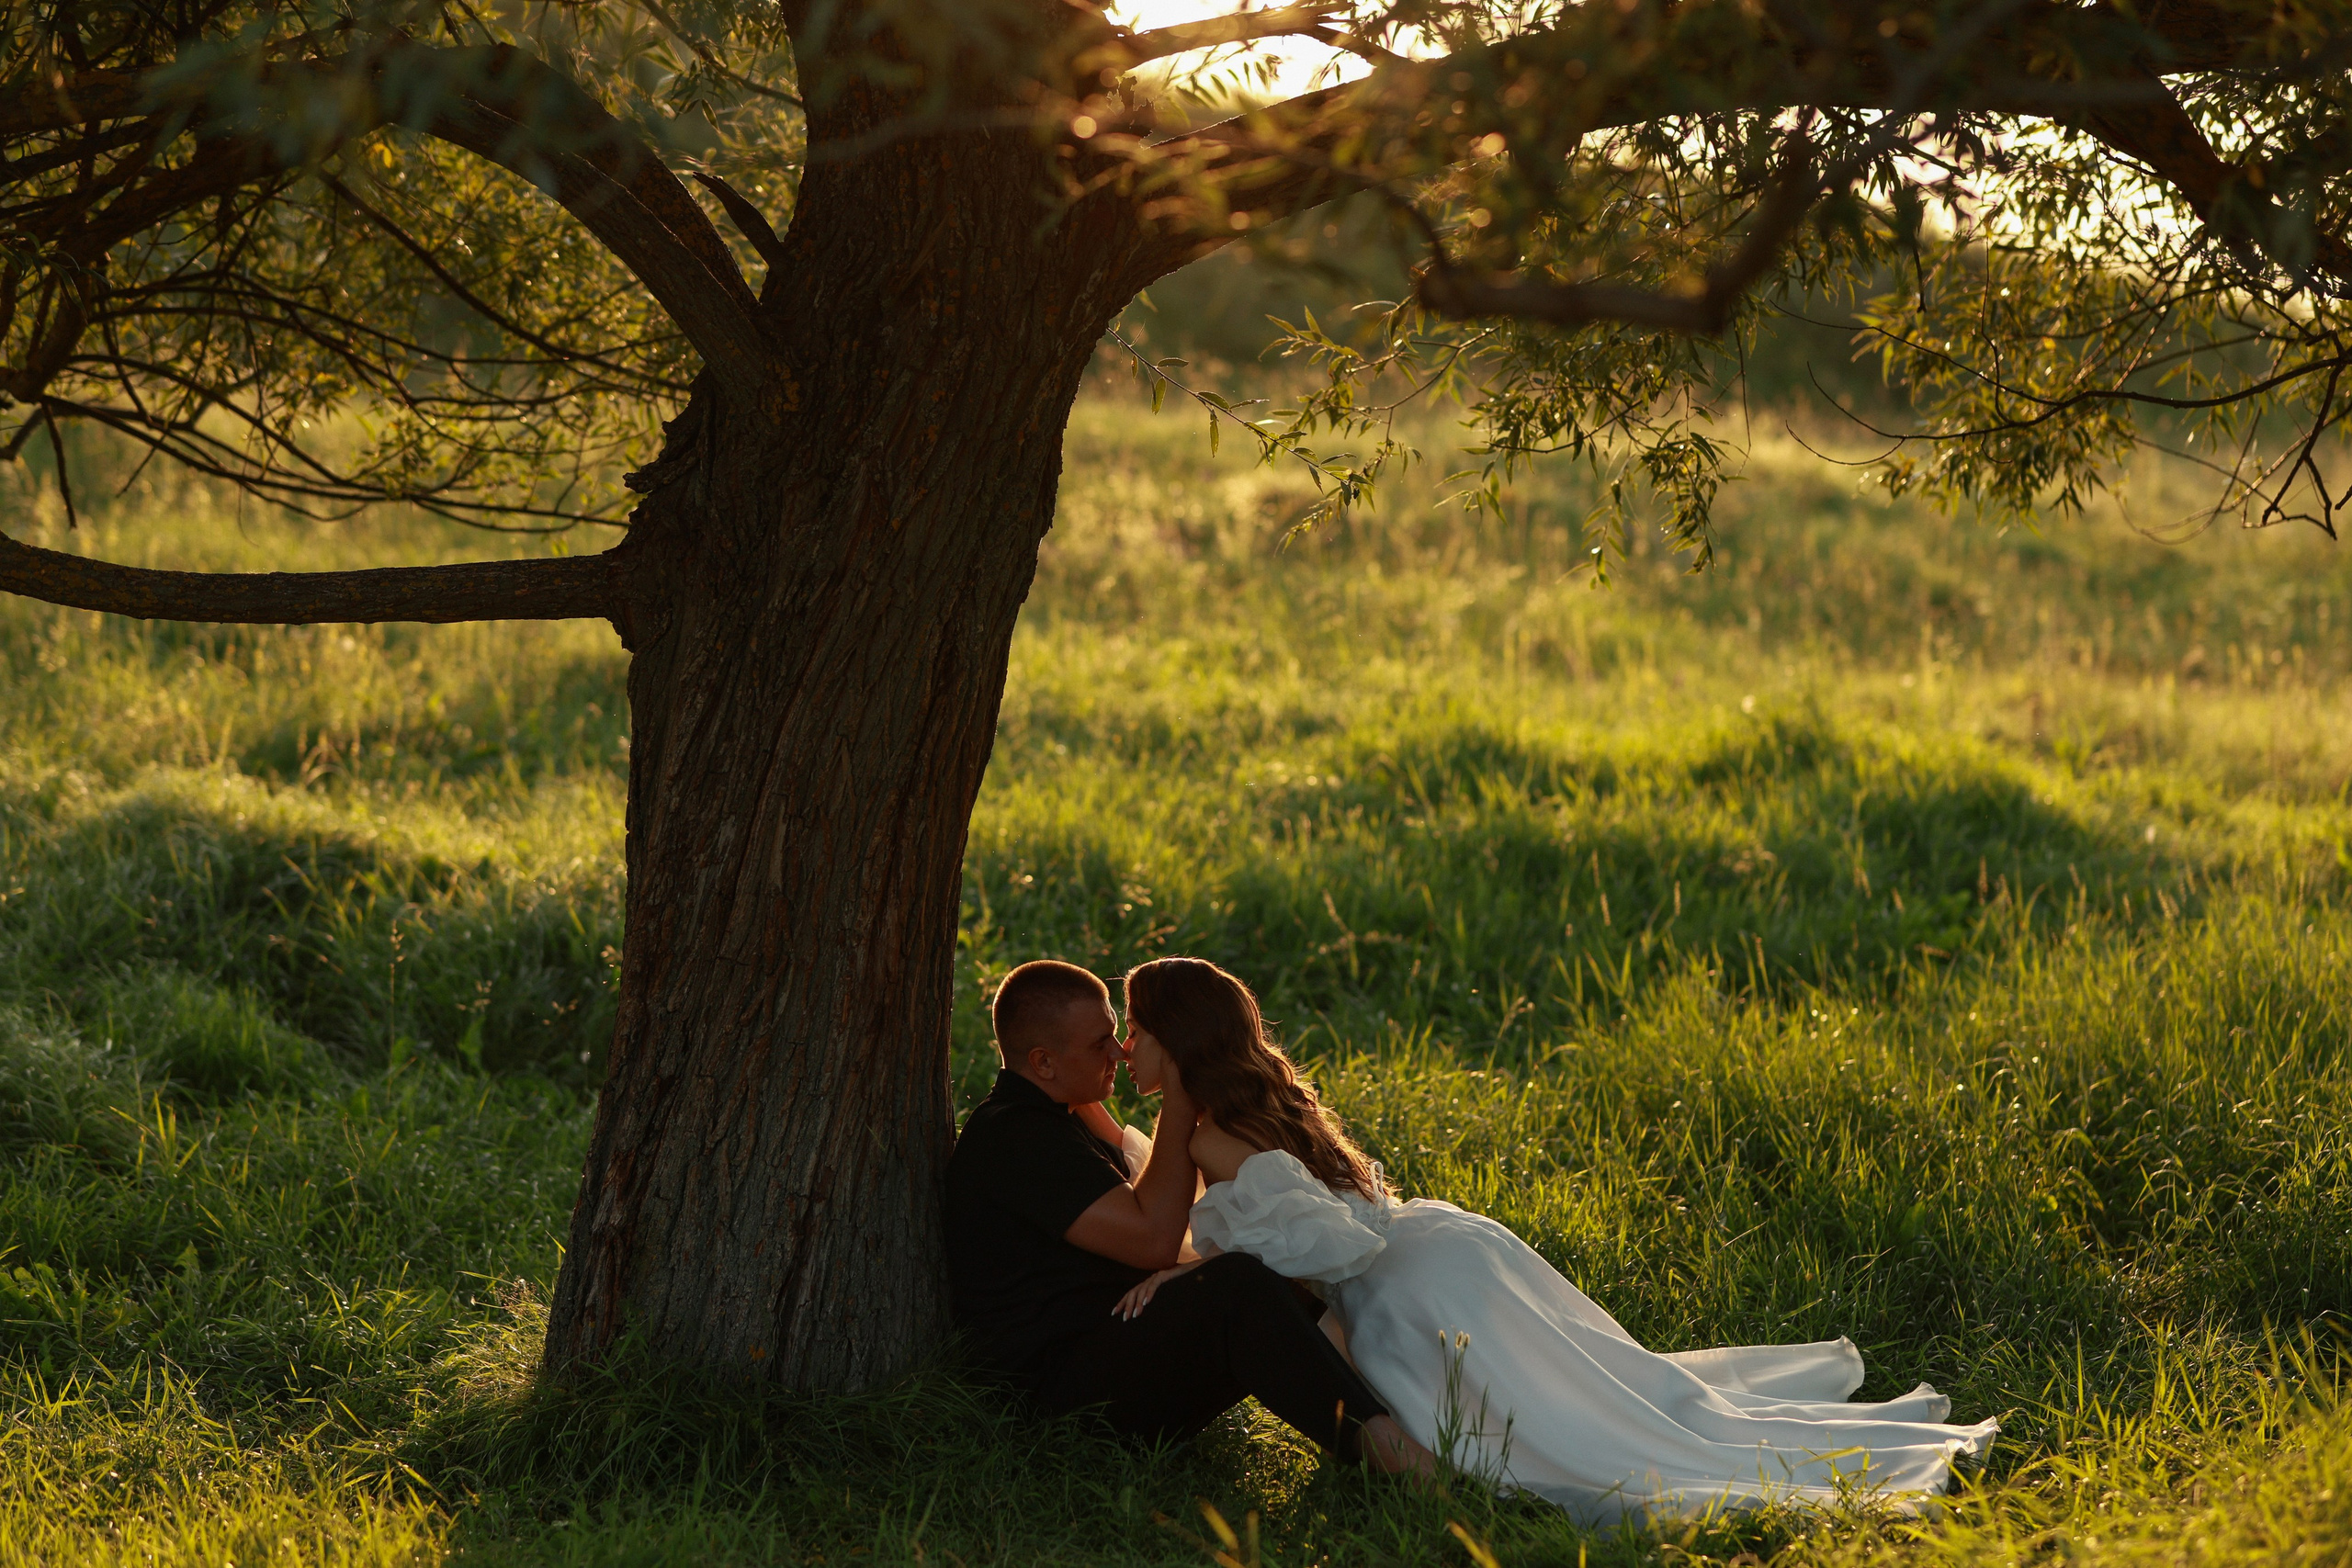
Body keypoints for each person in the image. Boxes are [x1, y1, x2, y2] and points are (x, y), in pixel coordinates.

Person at [1113, 955, 2000, 1524]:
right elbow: (1296, 1207)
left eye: (1138, 1029)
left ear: (1178, 1038)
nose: (1124, 1047)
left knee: (1560, 1440)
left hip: (1410, 1287)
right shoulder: (1252, 1107)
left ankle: (1831, 1477)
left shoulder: (1216, 1136)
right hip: (1442, 1240)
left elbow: (1322, 1245)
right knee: (1589, 1394)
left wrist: (1205, 1268)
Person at [943, 958, 1432, 1473]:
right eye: (1099, 1044)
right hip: (1057, 1398)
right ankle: (1398, 1460)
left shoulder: (1056, 1116)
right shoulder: (1016, 1138)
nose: (1117, 1051)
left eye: (1119, 1032)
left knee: (1285, 1266)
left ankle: (1413, 1423)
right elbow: (1154, 1239)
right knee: (1240, 1285)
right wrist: (1178, 1101)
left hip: (1104, 1349)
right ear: (1043, 1063)